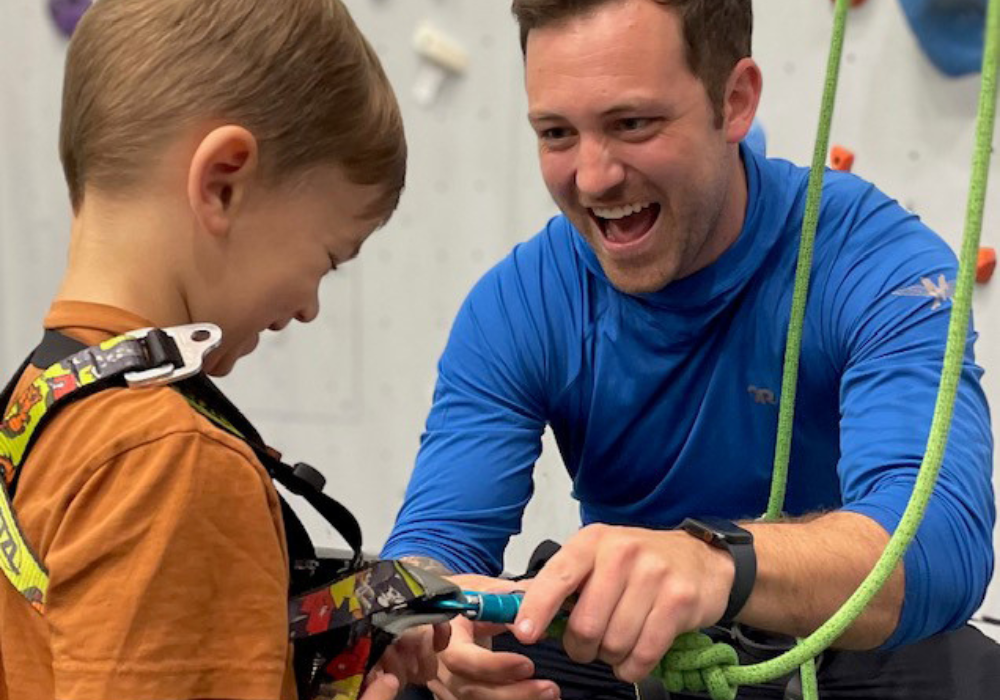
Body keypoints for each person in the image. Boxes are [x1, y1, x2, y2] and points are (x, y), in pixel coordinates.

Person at [381, 0, 997, 698]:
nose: (591, 178)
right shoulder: (519, 303)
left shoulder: (873, 262)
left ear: (734, 102)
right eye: (556, 133)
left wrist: (715, 563)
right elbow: (433, 549)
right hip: (629, 652)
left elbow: (942, 544)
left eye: (632, 124)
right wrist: (436, 634)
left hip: (841, 648)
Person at [0, 1, 448, 699]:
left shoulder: (39, 407)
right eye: (328, 257)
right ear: (224, 182)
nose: (309, 305)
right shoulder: (171, 465)